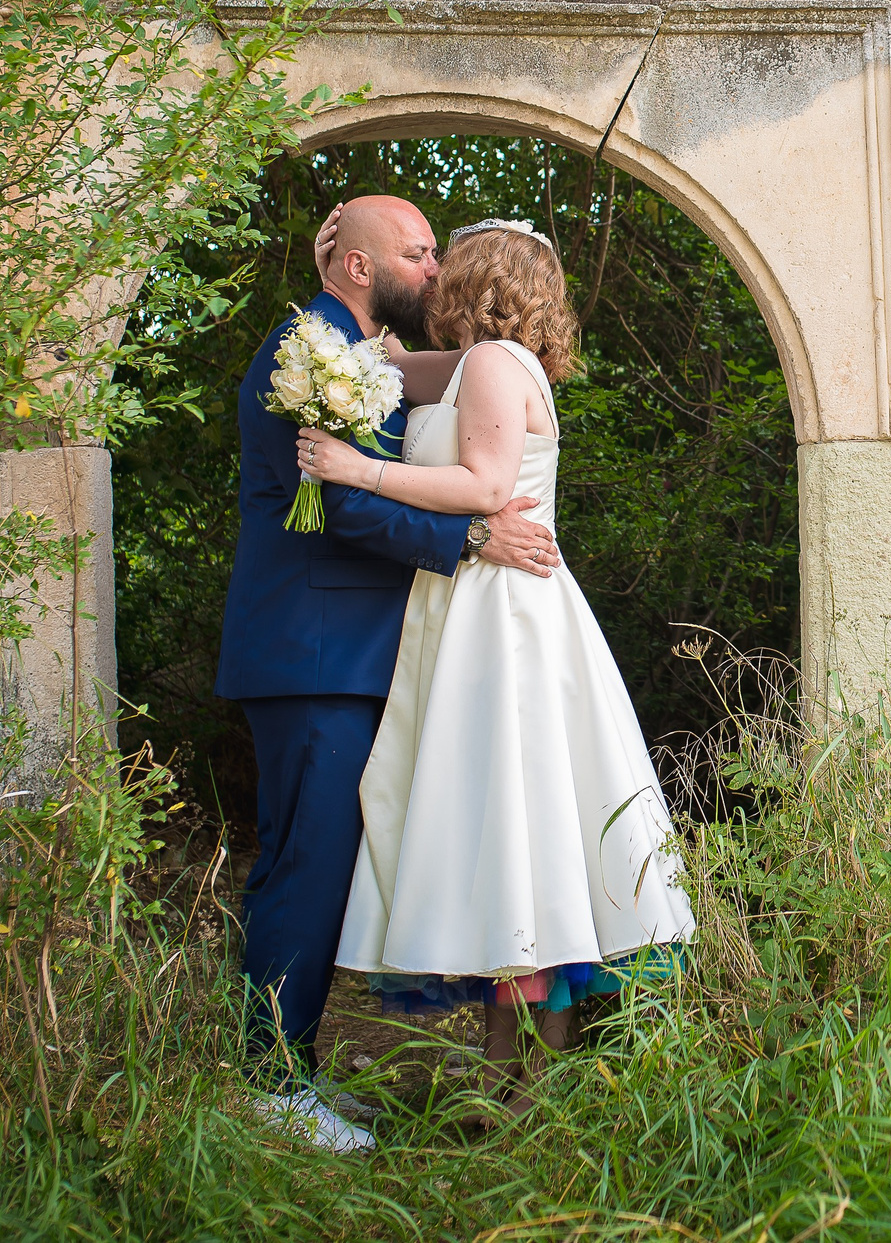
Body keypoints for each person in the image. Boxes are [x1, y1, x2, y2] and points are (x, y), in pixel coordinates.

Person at [296, 218, 696, 1115]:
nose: (431, 273)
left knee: (516, 829)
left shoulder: (491, 368)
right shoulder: (496, 364)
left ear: (476, 274)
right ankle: (511, 1073)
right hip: (484, 608)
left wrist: (357, 469)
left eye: (445, 262)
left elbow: (482, 488)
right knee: (516, 836)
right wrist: (337, 287)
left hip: (500, 617)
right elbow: (390, 370)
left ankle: (520, 1080)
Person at [214, 196, 561, 1153]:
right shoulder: (308, 351)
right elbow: (343, 508)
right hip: (312, 651)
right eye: (418, 252)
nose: (436, 266)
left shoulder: (353, 348)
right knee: (305, 863)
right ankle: (269, 1085)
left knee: (315, 862)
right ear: (363, 269)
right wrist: (476, 533)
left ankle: (290, 1068)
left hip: (349, 651)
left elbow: (478, 371)